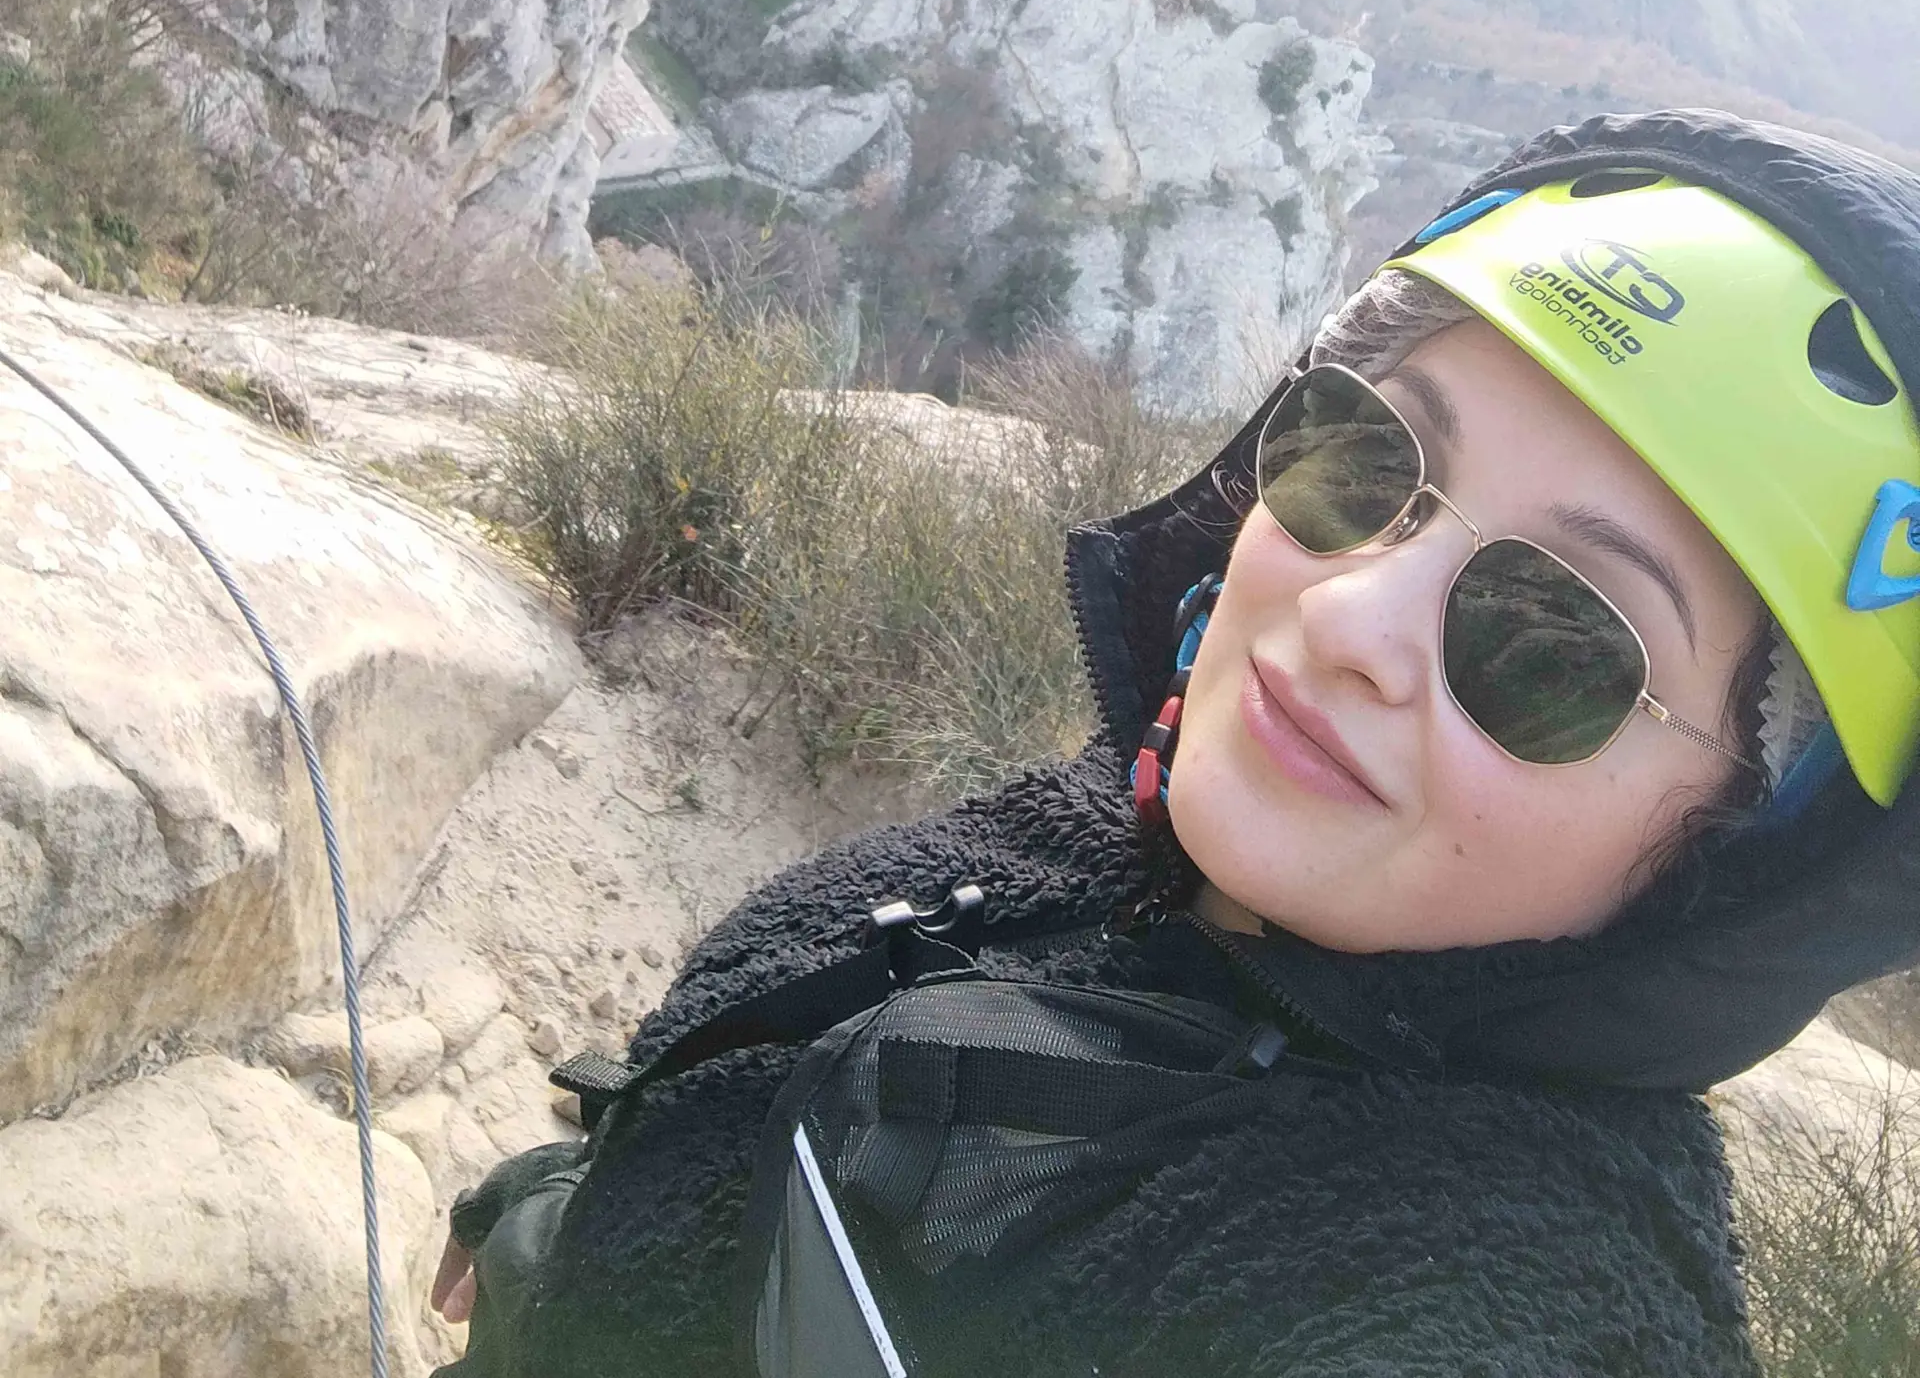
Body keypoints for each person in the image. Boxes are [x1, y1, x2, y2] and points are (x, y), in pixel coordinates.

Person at [430, 109, 1920, 1375]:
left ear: (1737, 854)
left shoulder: (1513, 1289)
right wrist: (581, 1206)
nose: (1351, 612)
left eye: (1554, 642)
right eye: (1365, 461)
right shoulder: (1103, 839)